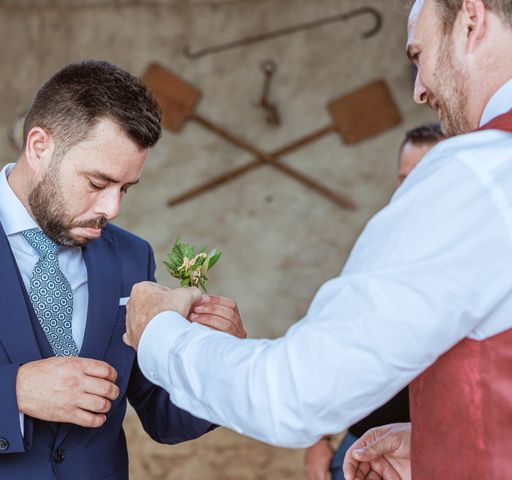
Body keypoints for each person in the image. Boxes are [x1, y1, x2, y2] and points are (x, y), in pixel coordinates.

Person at [123, 1, 512, 478]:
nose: (419, 89)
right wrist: (443, 442)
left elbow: (295, 395)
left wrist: (160, 332)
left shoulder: (477, 173)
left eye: (419, 55)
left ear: (470, 22)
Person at [0, 60, 244, 480]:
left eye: (125, 188)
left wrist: (216, 358)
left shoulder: (131, 257)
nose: (112, 209)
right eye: (97, 183)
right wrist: (12, 394)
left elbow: (163, 416)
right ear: (39, 146)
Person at [304, 123, 445, 480]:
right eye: (403, 179)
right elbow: (336, 340)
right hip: (362, 443)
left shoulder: (471, 257)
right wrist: (316, 438)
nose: (410, 190)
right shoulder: (379, 247)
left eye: (424, 176)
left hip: (435, 447)